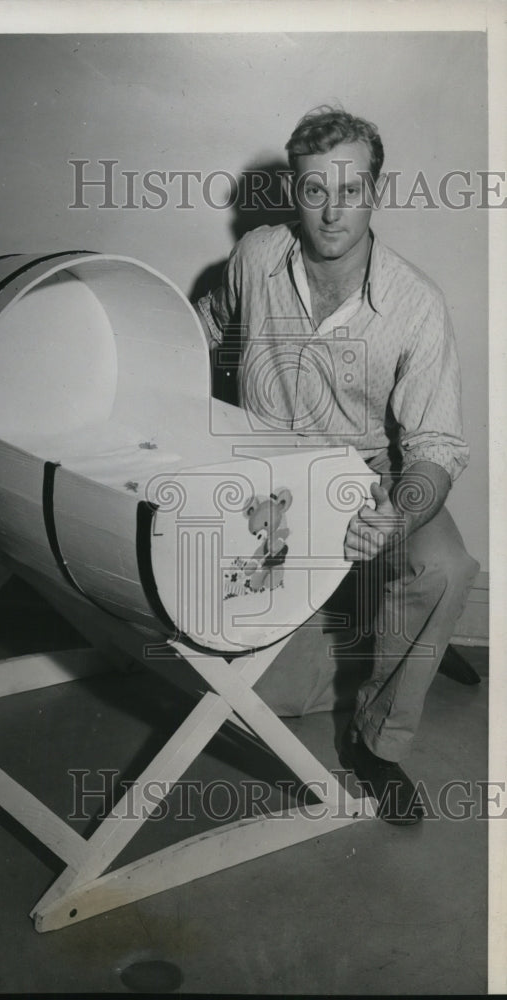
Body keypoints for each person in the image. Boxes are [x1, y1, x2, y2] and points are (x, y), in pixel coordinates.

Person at [195, 107, 480, 825]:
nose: (330, 211)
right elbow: (202, 323)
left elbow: (436, 446)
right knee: (248, 701)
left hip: (367, 477)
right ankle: (403, 638)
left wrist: (397, 511)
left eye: (349, 191)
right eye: (314, 190)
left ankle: (376, 742)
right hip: (265, 476)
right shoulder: (256, 257)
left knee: (443, 569)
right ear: (295, 191)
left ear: (374, 193)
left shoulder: (414, 305)